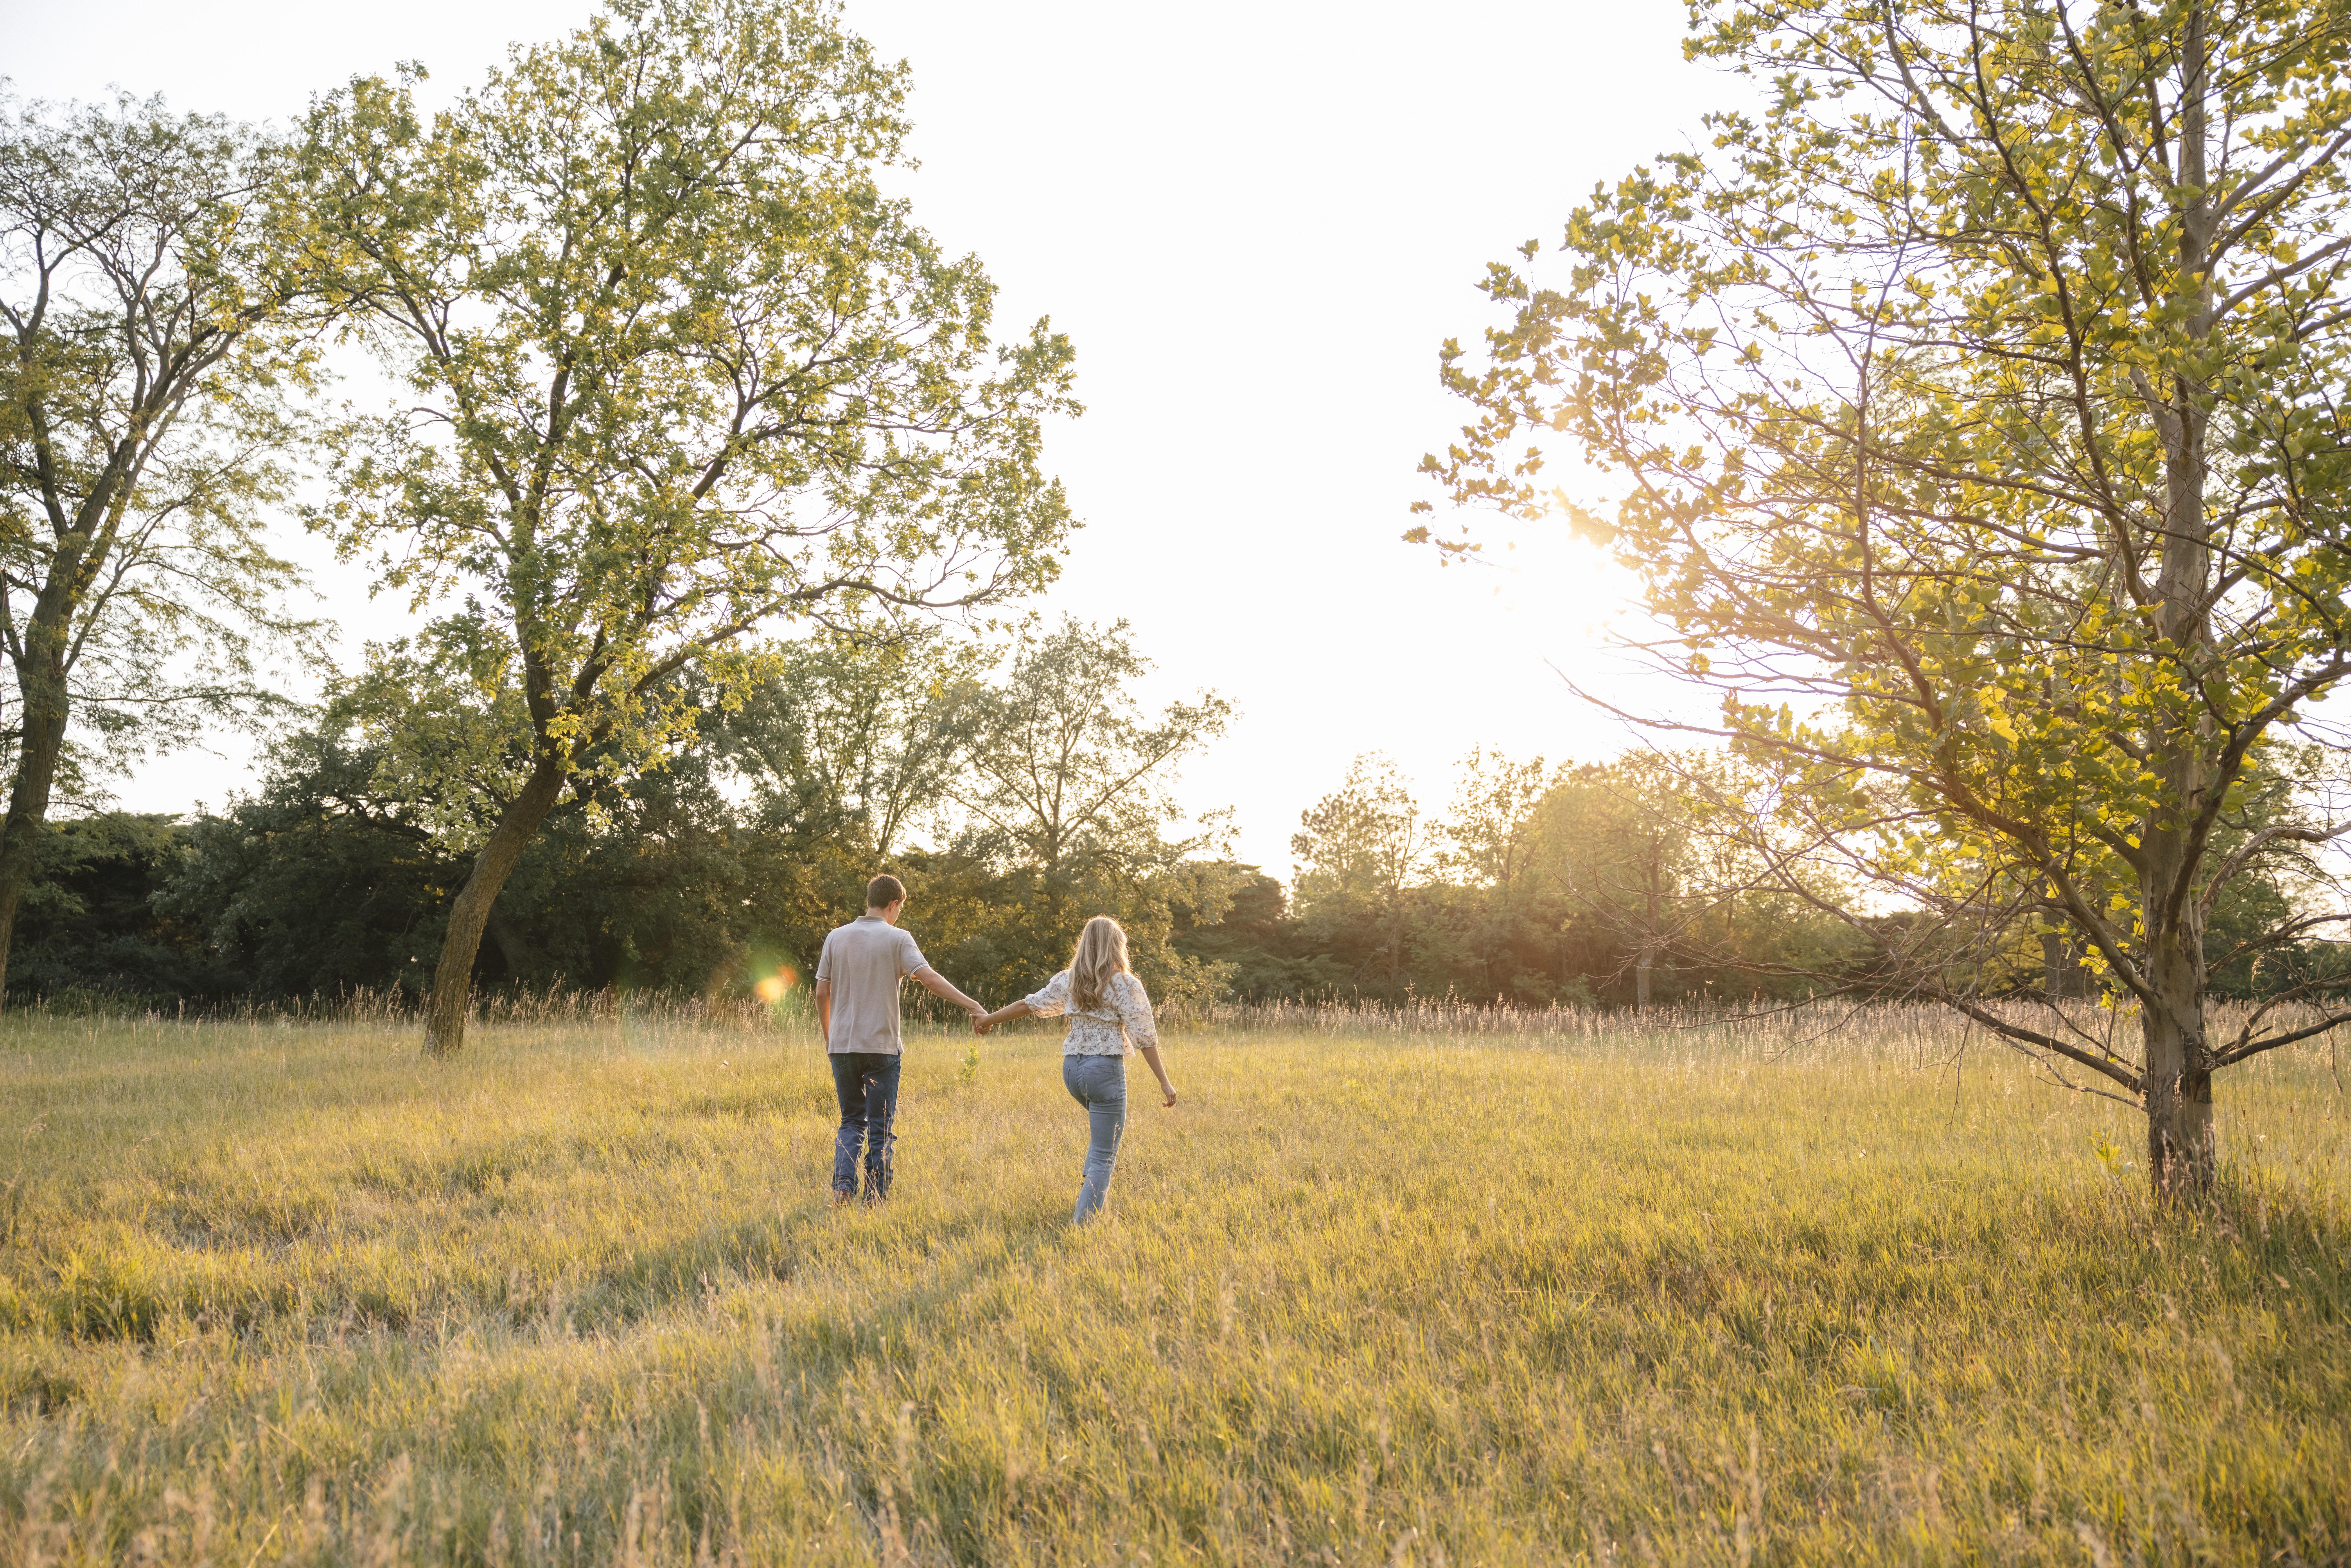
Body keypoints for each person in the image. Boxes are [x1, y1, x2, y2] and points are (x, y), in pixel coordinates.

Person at [974, 915, 1176, 1222]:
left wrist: (987, 1019)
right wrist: (1165, 1082)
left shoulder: (1068, 980)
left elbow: (1028, 1004)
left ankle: (1092, 1195)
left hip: (1072, 1069)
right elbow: (1145, 1037)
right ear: (1116, 946)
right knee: (1104, 1154)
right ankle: (1084, 1224)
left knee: (1099, 1143)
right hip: (1104, 1070)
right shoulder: (1125, 984)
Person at [813, 874, 987, 1204]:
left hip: (842, 1046)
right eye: (900, 909)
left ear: (870, 899)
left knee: (851, 1120)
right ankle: (875, 1200)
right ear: (894, 904)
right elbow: (928, 978)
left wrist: (829, 1035)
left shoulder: (835, 937)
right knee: (881, 1128)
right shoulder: (897, 938)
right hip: (882, 1049)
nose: (898, 916)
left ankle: (843, 1188)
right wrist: (973, 1005)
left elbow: (823, 992)